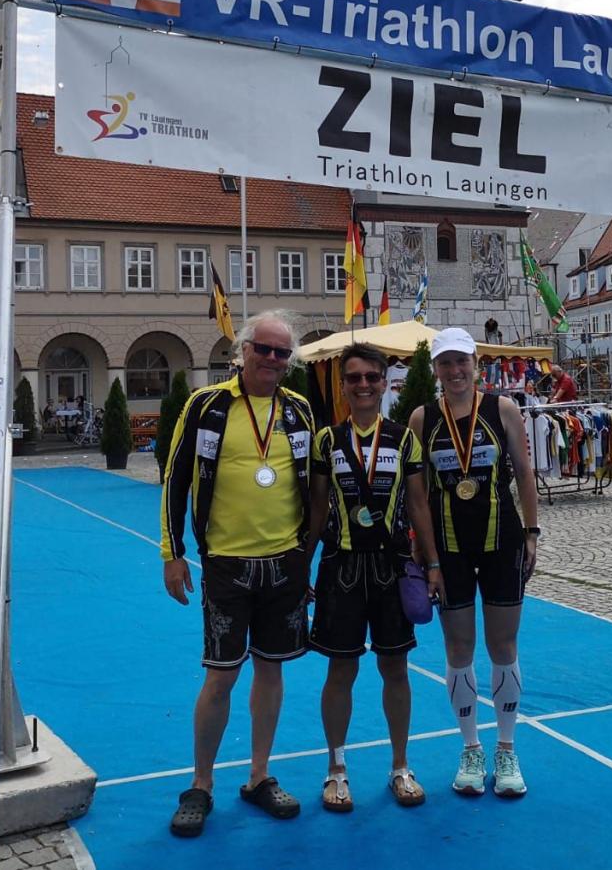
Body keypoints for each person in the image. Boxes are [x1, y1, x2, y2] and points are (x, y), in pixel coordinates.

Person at [160, 310, 317, 838]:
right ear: (243, 350)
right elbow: (175, 478)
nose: (271, 359)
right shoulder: (206, 406)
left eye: (281, 352)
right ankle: (201, 783)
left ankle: (259, 775)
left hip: (285, 564)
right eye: (263, 349)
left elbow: (313, 485)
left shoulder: (298, 410)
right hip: (226, 565)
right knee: (221, 675)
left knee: (271, 671)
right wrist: (173, 552)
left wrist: (309, 556)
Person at [308, 343, 444, 813]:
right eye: (354, 377)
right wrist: (301, 567)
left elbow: (419, 504)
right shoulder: (326, 440)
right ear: (343, 385)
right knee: (340, 669)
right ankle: (336, 769)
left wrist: (432, 564)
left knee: (395, 668)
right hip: (341, 566)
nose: (363, 385)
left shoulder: (404, 439)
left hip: (391, 566)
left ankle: (400, 766)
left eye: (371, 377)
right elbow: (317, 507)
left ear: (385, 383)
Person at [408, 327, 541, 798]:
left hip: (502, 540)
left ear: (475, 364)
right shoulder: (423, 418)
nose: (454, 371)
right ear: (436, 370)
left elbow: (524, 472)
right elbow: (418, 492)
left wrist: (532, 531)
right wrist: (426, 554)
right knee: (458, 646)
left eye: (461, 361)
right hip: (449, 548)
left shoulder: (502, 409)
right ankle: (470, 748)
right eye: (445, 363)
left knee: (503, 645)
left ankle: (506, 748)